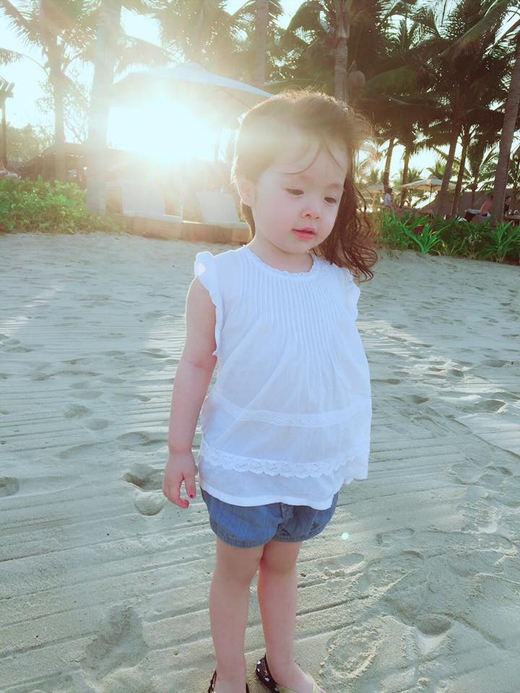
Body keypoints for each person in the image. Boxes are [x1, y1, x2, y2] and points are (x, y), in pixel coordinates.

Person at [162, 91, 377, 693]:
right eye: (295, 189)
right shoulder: (222, 278)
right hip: (243, 465)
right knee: (235, 574)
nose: (314, 209)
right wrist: (179, 450)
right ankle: (230, 674)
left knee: (283, 569)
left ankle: (279, 664)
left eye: (330, 196)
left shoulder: (337, 284)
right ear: (248, 186)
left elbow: (335, 372)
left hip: (310, 466)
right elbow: (195, 365)